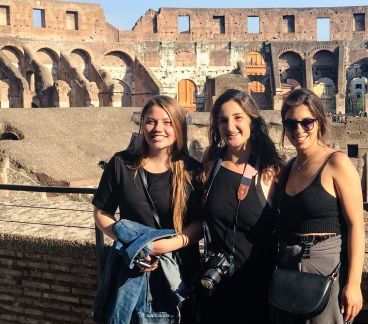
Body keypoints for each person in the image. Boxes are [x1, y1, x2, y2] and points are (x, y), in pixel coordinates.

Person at [92, 95, 202, 323]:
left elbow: (200, 223)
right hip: (132, 269)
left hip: (180, 272)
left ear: (178, 127)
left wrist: (166, 246)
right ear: (142, 124)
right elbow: (101, 213)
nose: (157, 128)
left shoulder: (193, 171)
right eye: (151, 121)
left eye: (167, 122)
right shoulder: (121, 164)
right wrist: (134, 246)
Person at [274, 89, 365, 324]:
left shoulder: (337, 163)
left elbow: (356, 225)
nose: (298, 130)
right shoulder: (290, 167)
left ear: (319, 122)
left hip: (326, 265)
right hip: (289, 265)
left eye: (307, 122)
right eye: (291, 123)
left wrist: (353, 284)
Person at [194, 88, 283, 323]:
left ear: (252, 120)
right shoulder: (211, 162)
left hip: (257, 290)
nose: (230, 126)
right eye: (223, 120)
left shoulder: (269, 169)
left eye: (237, 118)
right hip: (215, 284)